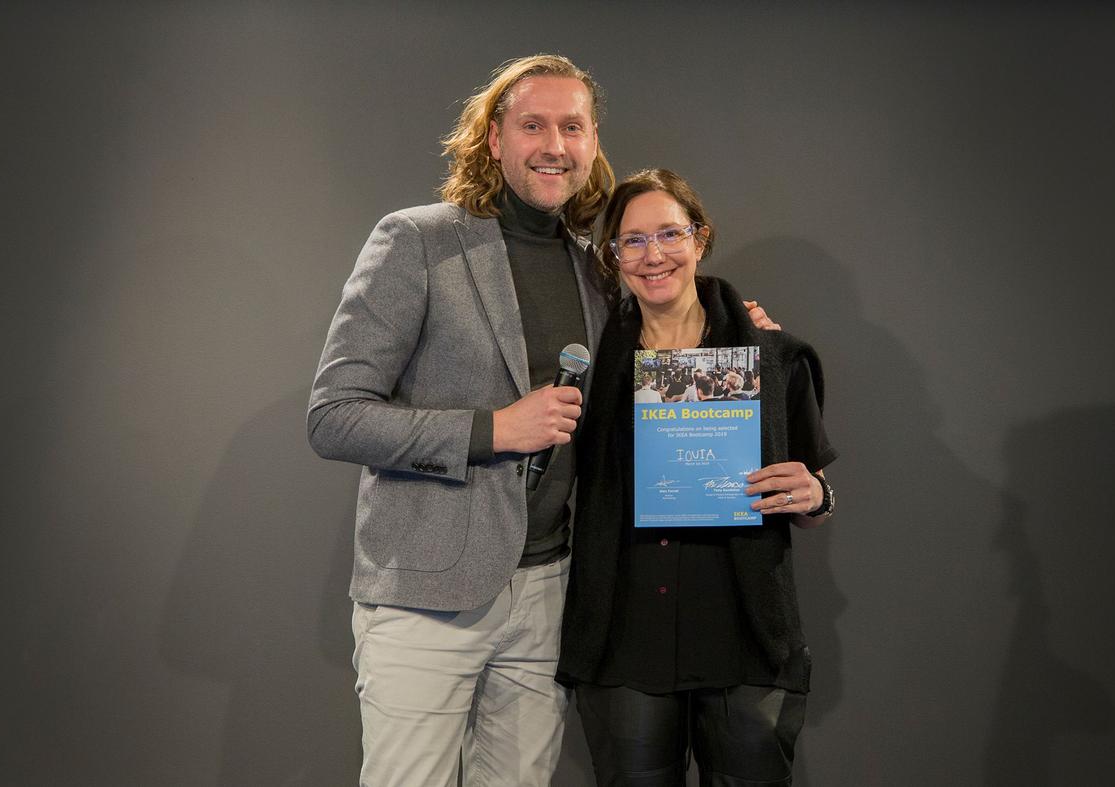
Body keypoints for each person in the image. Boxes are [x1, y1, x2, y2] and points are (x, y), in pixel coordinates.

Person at [308, 57, 776, 785]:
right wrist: (493, 429)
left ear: (592, 144)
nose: (554, 143)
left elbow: (656, 354)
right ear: (493, 138)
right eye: (533, 124)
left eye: (572, 126)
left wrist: (731, 331)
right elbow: (334, 416)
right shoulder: (417, 240)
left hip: (551, 594)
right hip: (427, 594)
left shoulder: (596, 268)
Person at [557, 168, 838, 786]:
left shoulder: (773, 358)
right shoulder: (588, 363)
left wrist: (817, 494)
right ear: (613, 257)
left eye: (669, 234)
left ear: (700, 238)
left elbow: (813, 498)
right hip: (623, 639)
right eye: (631, 241)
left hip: (744, 638)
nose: (652, 255)